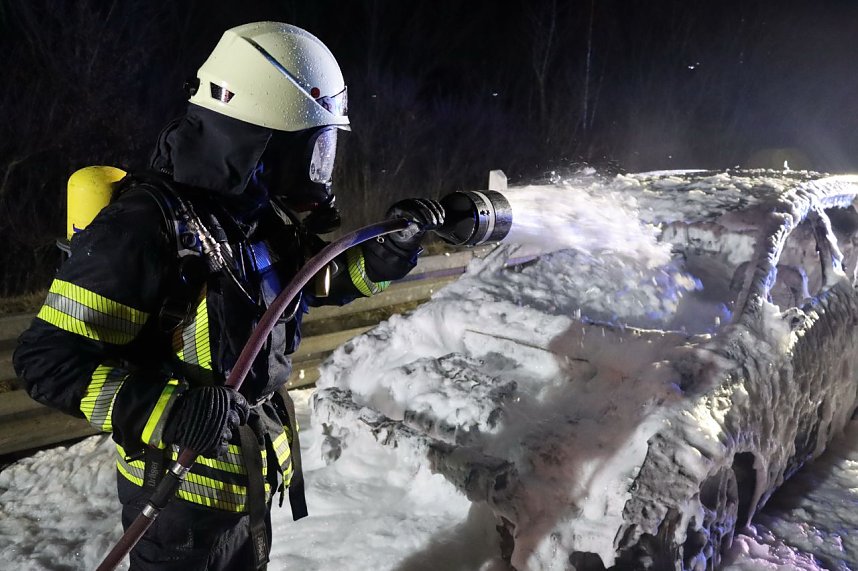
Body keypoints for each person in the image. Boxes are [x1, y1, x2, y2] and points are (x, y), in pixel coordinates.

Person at [13, 21, 444, 571]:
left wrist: (391, 250)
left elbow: (310, 285)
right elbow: (47, 361)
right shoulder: (144, 226)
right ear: (261, 141)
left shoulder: (255, 219)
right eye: (313, 148)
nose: (320, 169)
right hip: (175, 504)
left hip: (245, 486)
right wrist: (171, 411)